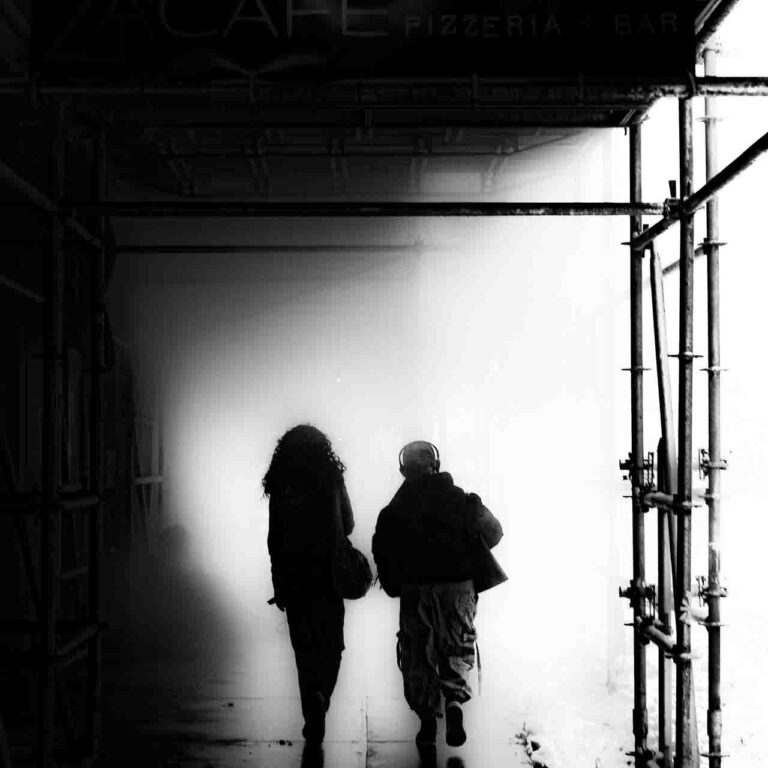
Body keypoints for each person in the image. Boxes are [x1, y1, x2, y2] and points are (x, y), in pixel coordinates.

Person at [372, 440, 503, 752]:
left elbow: (382, 550)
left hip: (415, 590)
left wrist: (394, 585)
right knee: (457, 645)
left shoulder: (393, 510)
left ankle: (427, 721)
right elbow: (495, 531)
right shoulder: (463, 500)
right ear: (436, 465)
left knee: (417, 653)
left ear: (404, 470)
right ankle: (455, 701)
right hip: (458, 587)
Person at [263, 424, 354, 745]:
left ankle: (312, 711)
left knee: (304, 652)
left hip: (294, 579)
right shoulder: (332, 480)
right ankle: (322, 697)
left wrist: (279, 583)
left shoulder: (281, 484)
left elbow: (274, 539)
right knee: (333, 647)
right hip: (329, 576)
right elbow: (350, 522)